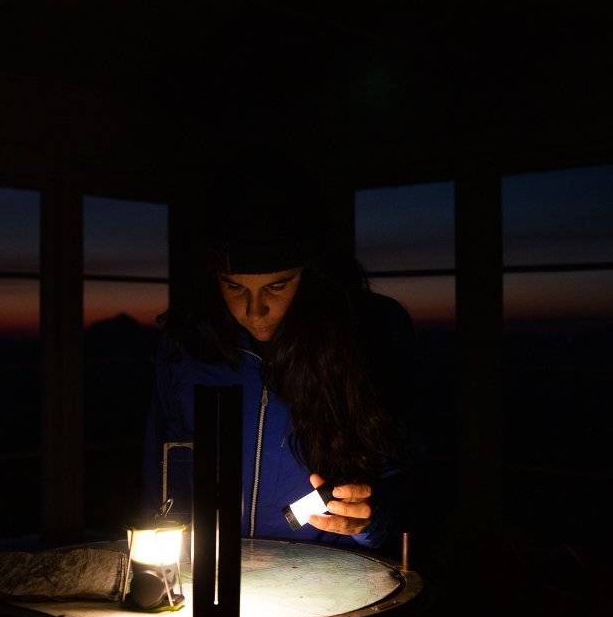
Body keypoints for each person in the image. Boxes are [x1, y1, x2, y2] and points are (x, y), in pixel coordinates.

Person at [140, 155, 420, 552]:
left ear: (313, 275)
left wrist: (370, 519)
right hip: (205, 577)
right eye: (234, 287)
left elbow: (406, 483)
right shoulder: (186, 349)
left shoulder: (370, 337)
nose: (254, 311)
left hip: (333, 583)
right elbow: (162, 478)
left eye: (277, 285)